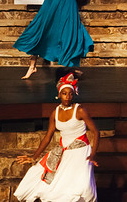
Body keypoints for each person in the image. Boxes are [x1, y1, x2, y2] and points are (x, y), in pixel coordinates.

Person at [14, 73, 98, 202]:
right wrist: (33, 157)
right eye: (64, 93)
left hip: (80, 152)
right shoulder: (55, 113)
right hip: (63, 151)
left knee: (81, 186)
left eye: (70, 94)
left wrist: (92, 154)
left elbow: (96, 132)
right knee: (52, 184)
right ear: (59, 94)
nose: (67, 97)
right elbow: (48, 137)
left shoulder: (80, 110)